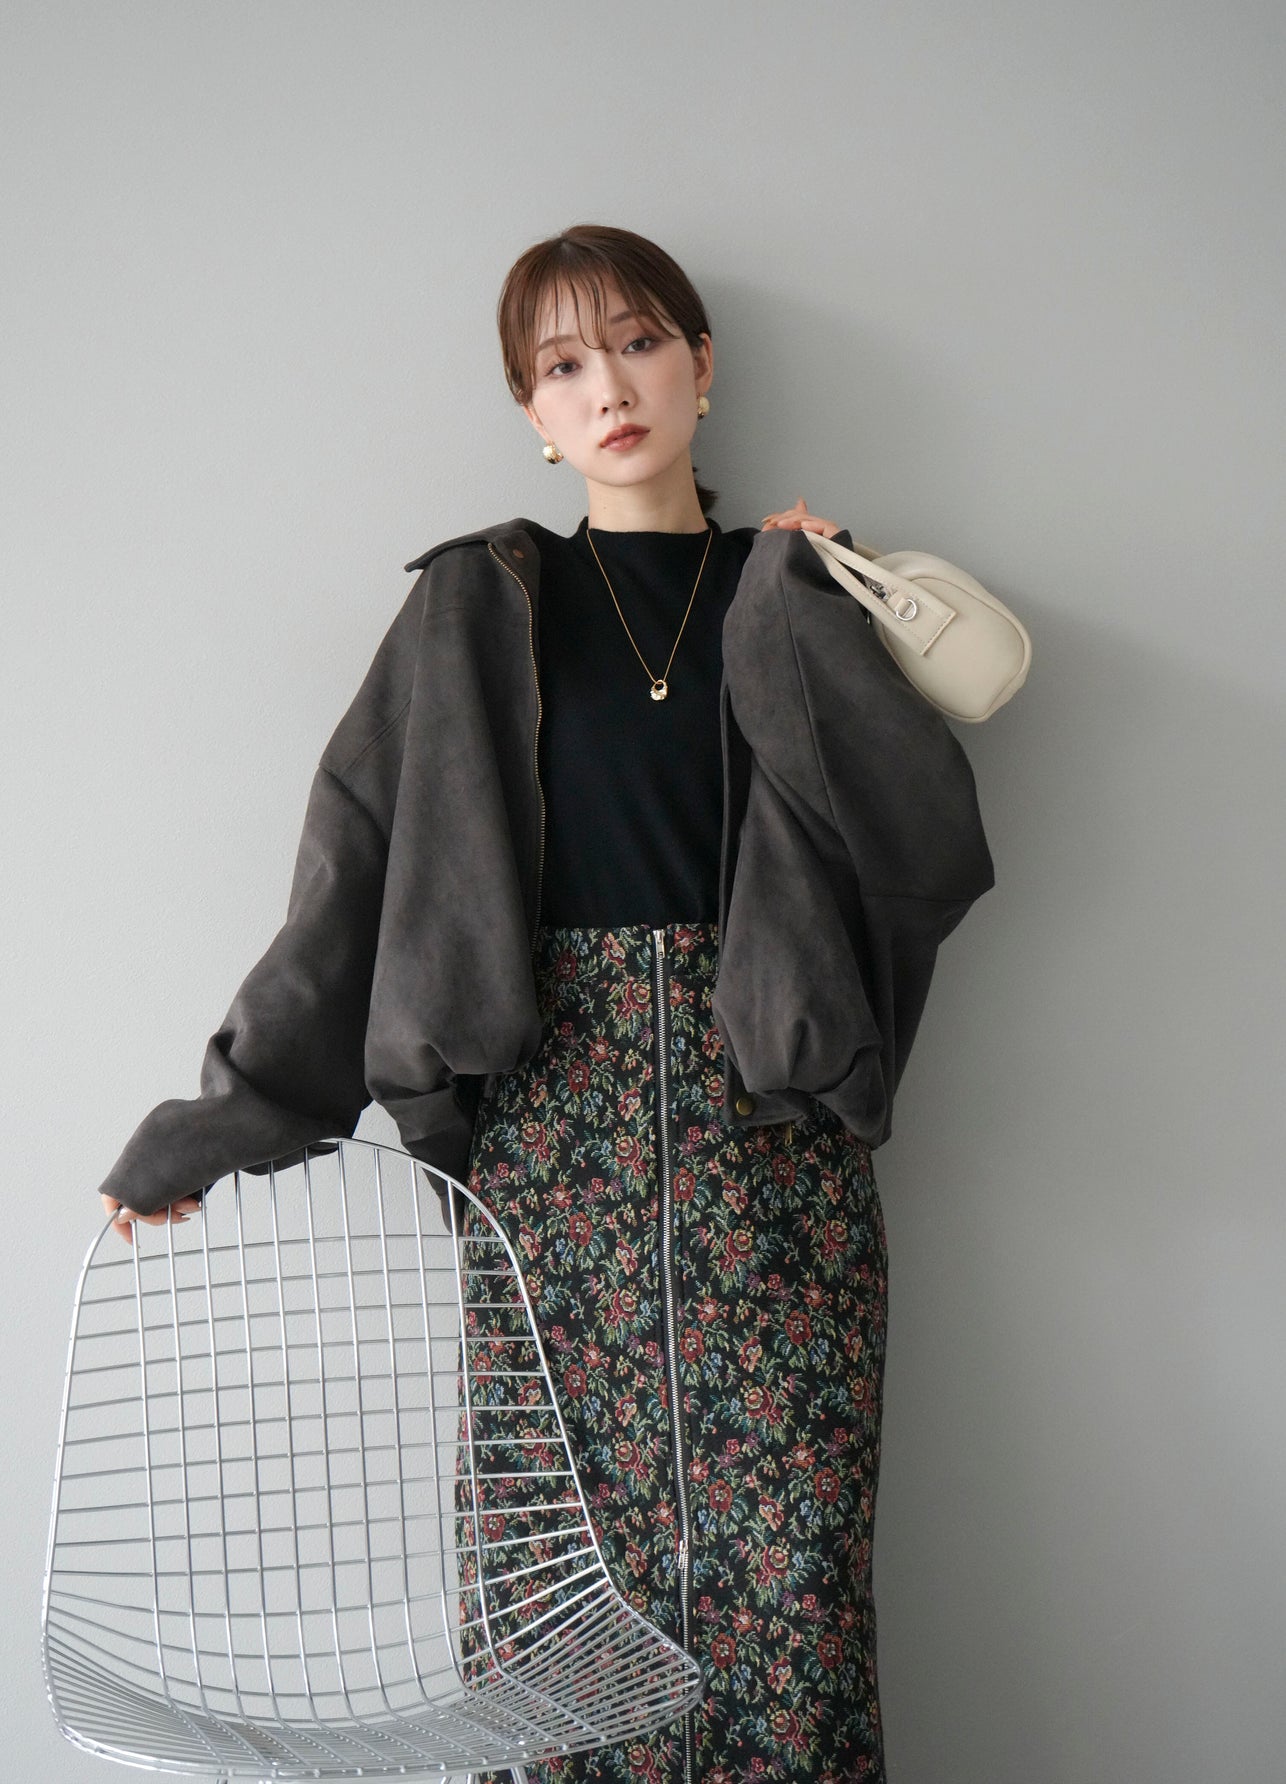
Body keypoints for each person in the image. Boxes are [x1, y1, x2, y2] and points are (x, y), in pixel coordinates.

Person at [99, 223, 997, 1784]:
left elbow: (923, 850)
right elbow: (355, 877)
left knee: (790, 1582)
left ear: (701, 365)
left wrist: (816, 611)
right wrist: (222, 1121)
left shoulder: (792, 586)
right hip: (545, 1149)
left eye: (639, 344)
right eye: (564, 364)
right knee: (556, 1592)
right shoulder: (473, 607)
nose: (609, 389)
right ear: (531, 409)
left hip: (769, 1140)